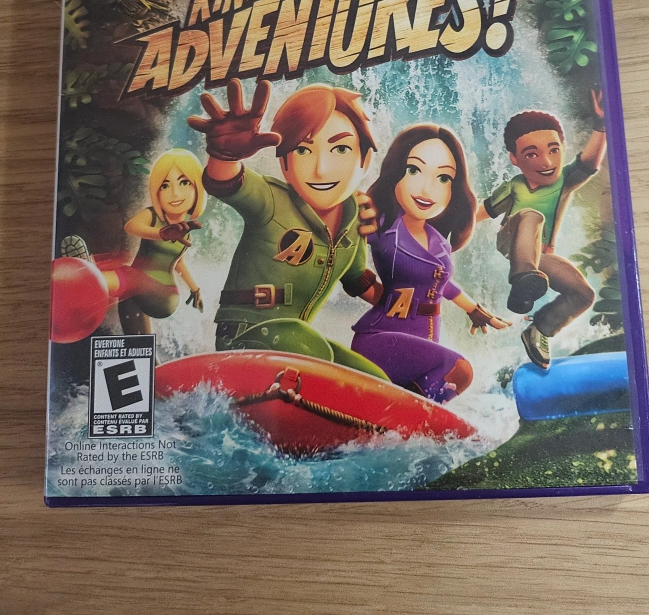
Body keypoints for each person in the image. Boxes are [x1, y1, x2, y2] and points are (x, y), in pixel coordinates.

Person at [187, 78, 388, 378]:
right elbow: (227, 182)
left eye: (341, 149)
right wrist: (224, 154)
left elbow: (357, 279)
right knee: (313, 351)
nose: (321, 169)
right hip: (244, 337)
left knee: (375, 379)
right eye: (303, 151)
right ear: (284, 163)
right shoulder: (271, 199)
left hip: (299, 342)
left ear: (365, 159)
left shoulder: (355, 216)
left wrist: (405, 303)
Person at [351, 125, 510, 402]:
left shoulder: (438, 241)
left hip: (426, 334)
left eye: (443, 178)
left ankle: (400, 420)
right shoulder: (380, 226)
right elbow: (345, 257)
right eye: (414, 170)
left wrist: (474, 310)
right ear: (396, 173)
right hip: (383, 336)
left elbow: (441, 282)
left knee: (425, 394)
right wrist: (376, 293)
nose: (427, 189)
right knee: (459, 371)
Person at [477, 90, 606, 369]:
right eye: (531, 154)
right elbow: (481, 212)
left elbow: (589, 163)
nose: (546, 162)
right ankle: (522, 281)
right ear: (515, 159)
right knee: (532, 216)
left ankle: (540, 330)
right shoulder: (515, 186)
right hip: (512, 242)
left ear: (563, 147)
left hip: (539, 256)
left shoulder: (564, 181)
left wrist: (601, 125)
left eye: (553, 150)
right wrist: (442, 226)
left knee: (583, 294)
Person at [55, 149, 207, 338]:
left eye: (184, 183)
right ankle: (147, 356)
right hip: (136, 289)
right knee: (133, 326)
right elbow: (132, 227)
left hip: (164, 294)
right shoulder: (151, 215)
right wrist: (161, 233)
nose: (175, 193)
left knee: (130, 275)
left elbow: (179, 262)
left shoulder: (185, 235)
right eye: (165, 185)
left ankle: (91, 277)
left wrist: (195, 288)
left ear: (197, 189)